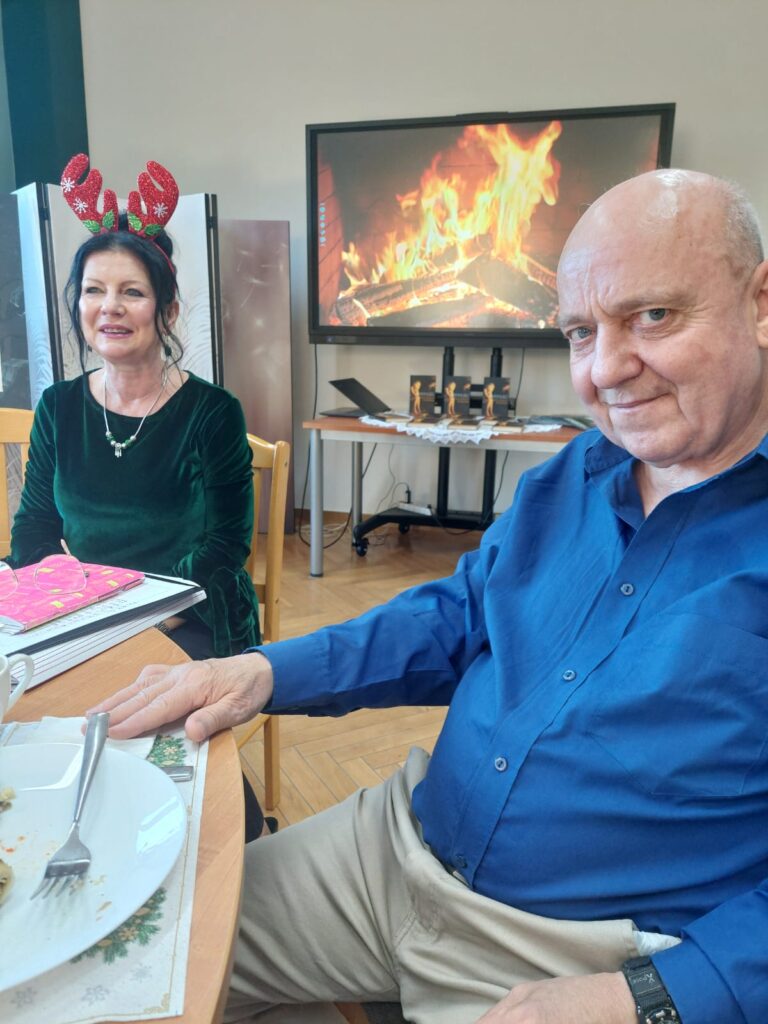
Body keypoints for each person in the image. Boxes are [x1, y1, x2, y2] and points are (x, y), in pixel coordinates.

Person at [90, 168, 768, 1024]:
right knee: (141, 966)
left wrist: (648, 1001)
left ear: (760, 303)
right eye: (580, 332)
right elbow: (455, 619)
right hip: (396, 846)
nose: (606, 370)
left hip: (577, 960)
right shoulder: (573, 473)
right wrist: (259, 672)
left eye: (654, 316)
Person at [11, 155, 267, 836]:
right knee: (36, 719)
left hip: (192, 612)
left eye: (132, 292)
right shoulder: (58, 407)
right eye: (94, 290)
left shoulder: (213, 412)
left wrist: (143, 619)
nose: (110, 308)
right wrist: (72, 608)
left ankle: (228, 841)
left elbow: (225, 547)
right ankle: (75, 836)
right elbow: (33, 528)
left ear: (167, 308)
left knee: (158, 732)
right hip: (84, 616)